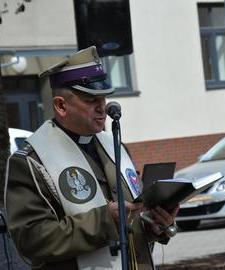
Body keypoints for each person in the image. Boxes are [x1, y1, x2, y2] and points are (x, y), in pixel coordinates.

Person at [4, 46, 179, 270]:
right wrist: (103, 221)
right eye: (90, 100)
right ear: (60, 105)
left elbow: (133, 221)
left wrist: (155, 225)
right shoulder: (30, 161)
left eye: (103, 98)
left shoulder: (115, 146)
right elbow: (31, 240)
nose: (102, 108)